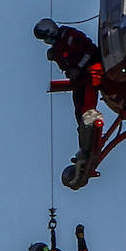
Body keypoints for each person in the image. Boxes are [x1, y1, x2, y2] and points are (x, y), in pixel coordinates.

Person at [34, 19, 103, 167]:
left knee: (87, 110)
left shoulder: (70, 37)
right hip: (78, 81)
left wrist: (78, 68)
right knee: (79, 113)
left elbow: (90, 51)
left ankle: (90, 143)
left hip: (88, 75)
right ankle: (85, 148)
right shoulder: (58, 46)